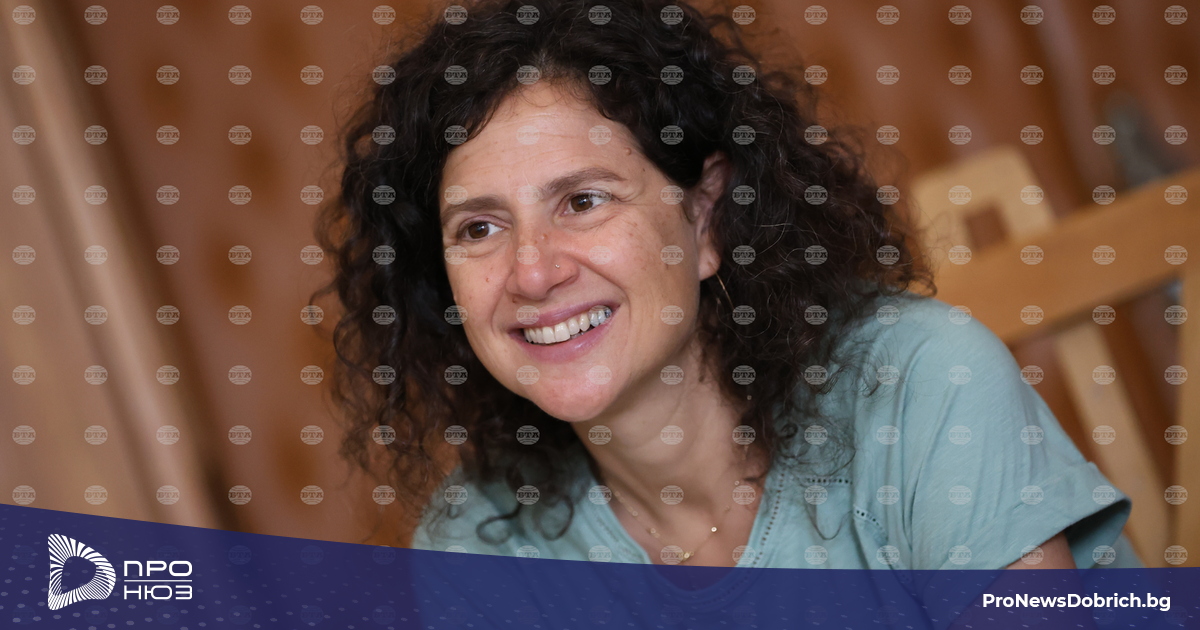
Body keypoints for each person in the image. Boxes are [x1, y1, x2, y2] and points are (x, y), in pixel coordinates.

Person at [314, 0, 1136, 584]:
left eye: (584, 201)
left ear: (706, 216)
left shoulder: (920, 383)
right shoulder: (479, 545)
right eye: (478, 228)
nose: (532, 273)